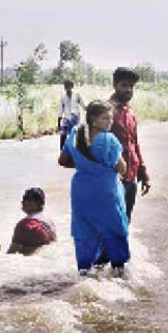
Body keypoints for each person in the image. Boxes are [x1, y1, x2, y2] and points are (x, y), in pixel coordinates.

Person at [58, 100, 130, 276]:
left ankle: (84, 271)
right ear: (93, 119)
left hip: (81, 192)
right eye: (105, 118)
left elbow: (62, 160)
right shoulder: (109, 141)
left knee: (84, 232)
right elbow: (122, 168)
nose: (110, 122)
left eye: (110, 118)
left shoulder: (75, 134)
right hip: (105, 192)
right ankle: (119, 272)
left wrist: (85, 166)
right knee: (114, 229)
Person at [108, 67, 151, 223]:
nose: (128, 90)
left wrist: (143, 174)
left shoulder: (129, 113)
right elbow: (93, 146)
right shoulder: (105, 112)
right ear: (115, 85)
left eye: (131, 86)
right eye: (124, 85)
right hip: (112, 180)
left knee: (125, 222)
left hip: (131, 177)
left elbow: (134, 144)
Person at [7, 187, 57, 256]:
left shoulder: (25, 225)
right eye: (23, 199)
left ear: (38, 202)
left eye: (27, 199)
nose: (23, 202)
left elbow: (12, 254)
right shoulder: (48, 221)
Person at [58, 79, 85, 151]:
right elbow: (60, 109)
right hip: (66, 118)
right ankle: (62, 150)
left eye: (68, 86)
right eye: (65, 86)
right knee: (63, 134)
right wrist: (58, 122)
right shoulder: (63, 97)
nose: (66, 88)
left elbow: (83, 105)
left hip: (75, 117)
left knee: (74, 134)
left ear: (72, 86)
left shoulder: (77, 95)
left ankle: (75, 150)